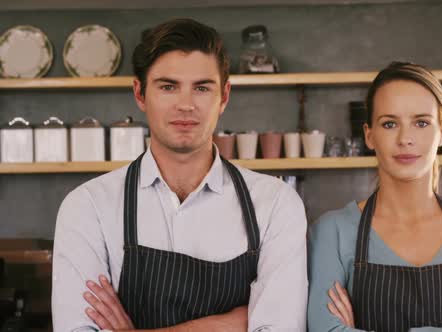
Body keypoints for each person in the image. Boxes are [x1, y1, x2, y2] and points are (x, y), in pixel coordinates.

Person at [52, 18, 308, 332]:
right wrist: (229, 323)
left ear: (224, 96)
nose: (185, 105)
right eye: (168, 87)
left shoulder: (276, 203)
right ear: (140, 94)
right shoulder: (87, 207)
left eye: (202, 88)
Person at [307, 61, 442, 332]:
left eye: (421, 122)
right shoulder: (332, 232)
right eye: (389, 124)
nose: (405, 138)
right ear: (369, 136)